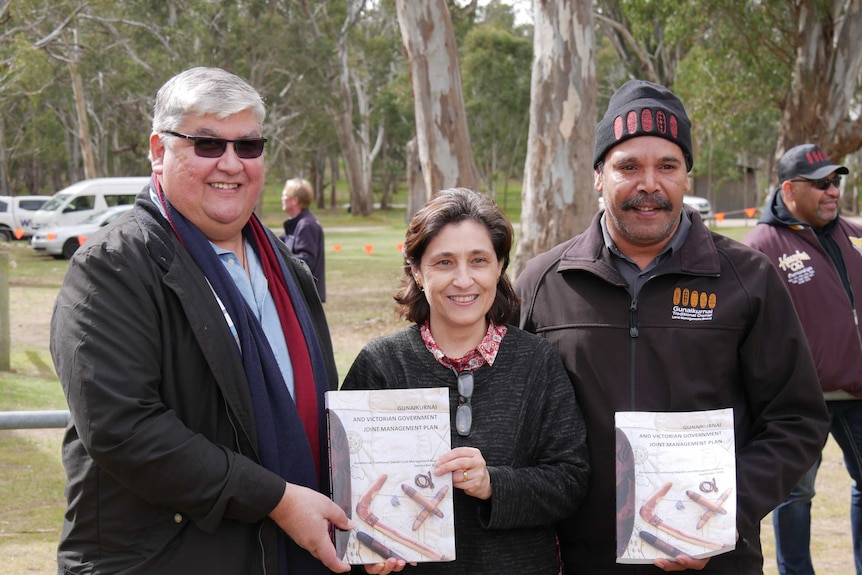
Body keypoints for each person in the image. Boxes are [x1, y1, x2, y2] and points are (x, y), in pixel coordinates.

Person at [515, 79, 831, 574]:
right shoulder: (542, 283)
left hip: (715, 558)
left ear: (687, 176)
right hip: (581, 561)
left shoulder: (749, 279)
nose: (649, 184)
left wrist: (726, 513)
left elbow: (797, 420)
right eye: (628, 166)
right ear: (598, 175)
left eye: (667, 166)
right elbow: (513, 422)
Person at [51, 67, 351, 574]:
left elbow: (319, 407)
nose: (231, 164)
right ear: (158, 149)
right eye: (207, 144)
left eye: (248, 145)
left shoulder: (286, 269)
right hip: (162, 558)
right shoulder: (112, 266)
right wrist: (276, 499)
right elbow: (122, 428)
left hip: (282, 556)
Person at [340, 187, 590, 574]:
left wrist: (493, 484)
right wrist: (368, 555)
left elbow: (570, 481)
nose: (463, 279)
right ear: (417, 272)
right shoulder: (380, 365)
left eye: (478, 261)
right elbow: (344, 491)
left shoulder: (536, 362)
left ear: (498, 267)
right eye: (443, 262)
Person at [742, 143, 862, 575]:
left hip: (857, 391)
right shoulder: (761, 247)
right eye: (822, 184)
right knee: (795, 495)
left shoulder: (854, 235)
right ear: (790, 190)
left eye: (836, 182)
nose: (833, 191)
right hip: (799, 398)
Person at [280, 177, 326, 302]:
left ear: (294, 200)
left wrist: (280, 261)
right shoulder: (296, 224)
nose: (282, 198)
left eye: (284, 195)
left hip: (306, 298)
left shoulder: (306, 225)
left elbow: (307, 260)